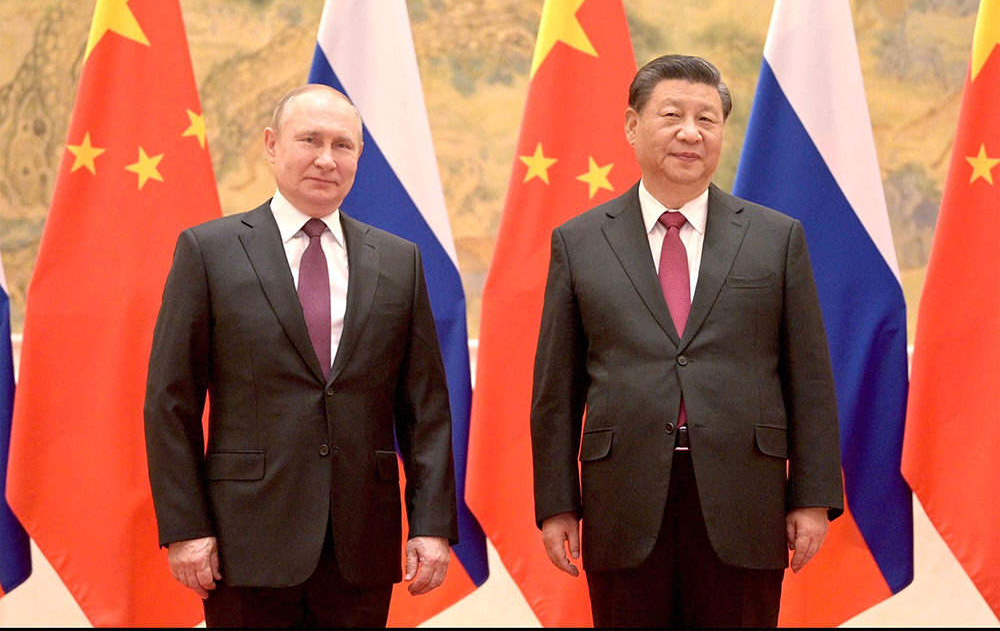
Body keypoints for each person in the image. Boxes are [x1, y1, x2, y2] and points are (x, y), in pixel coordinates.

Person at [530, 55, 843, 628]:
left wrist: (812, 495)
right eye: (671, 114)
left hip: (745, 496)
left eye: (707, 118)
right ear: (631, 125)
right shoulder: (579, 242)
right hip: (622, 498)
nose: (690, 132)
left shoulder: (776, 238)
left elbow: (811, 379)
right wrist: (556, 504)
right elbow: (556, 389)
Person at [144, 84, 458, 628]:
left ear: (359, 156)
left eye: (343, 145)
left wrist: (430, 525)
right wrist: (186, 528)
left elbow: (425, 410)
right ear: (271, 144)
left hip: (360, 541)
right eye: (309, 140)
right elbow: (170, 402)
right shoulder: (209, 251)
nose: (325, 159)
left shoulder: (399, 261)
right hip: (246, 540)